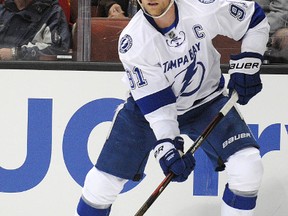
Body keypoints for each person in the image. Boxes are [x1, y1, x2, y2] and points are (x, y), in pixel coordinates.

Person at [75, 0, 270, 215]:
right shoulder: (134, 40)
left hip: (207, 101)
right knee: (102, 184)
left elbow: (254, 19)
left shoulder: (202, 6)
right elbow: (159, 106)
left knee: (248, 167)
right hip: (146, 113)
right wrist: (169, 146)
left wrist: (250, 62)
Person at [0, 0, 71, 61]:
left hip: (33, 72)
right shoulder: (3, 10)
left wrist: (16, 53)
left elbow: (58, 50)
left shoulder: (52, 12)